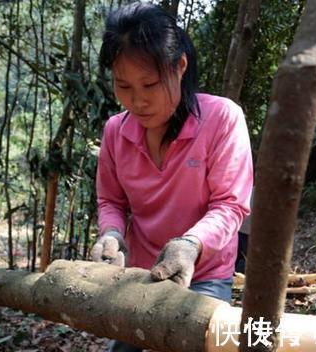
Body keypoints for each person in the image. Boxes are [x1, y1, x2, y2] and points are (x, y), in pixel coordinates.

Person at [91, 3, 252, 350]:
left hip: (205, 273)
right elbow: (111, 200)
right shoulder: (115, 132)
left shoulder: (222, 119)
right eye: (124, 86)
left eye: (149, 84)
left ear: (180, 66)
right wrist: (112, 233)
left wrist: (189, 245)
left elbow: (230, 205)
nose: (138, 101)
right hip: (140, 274)